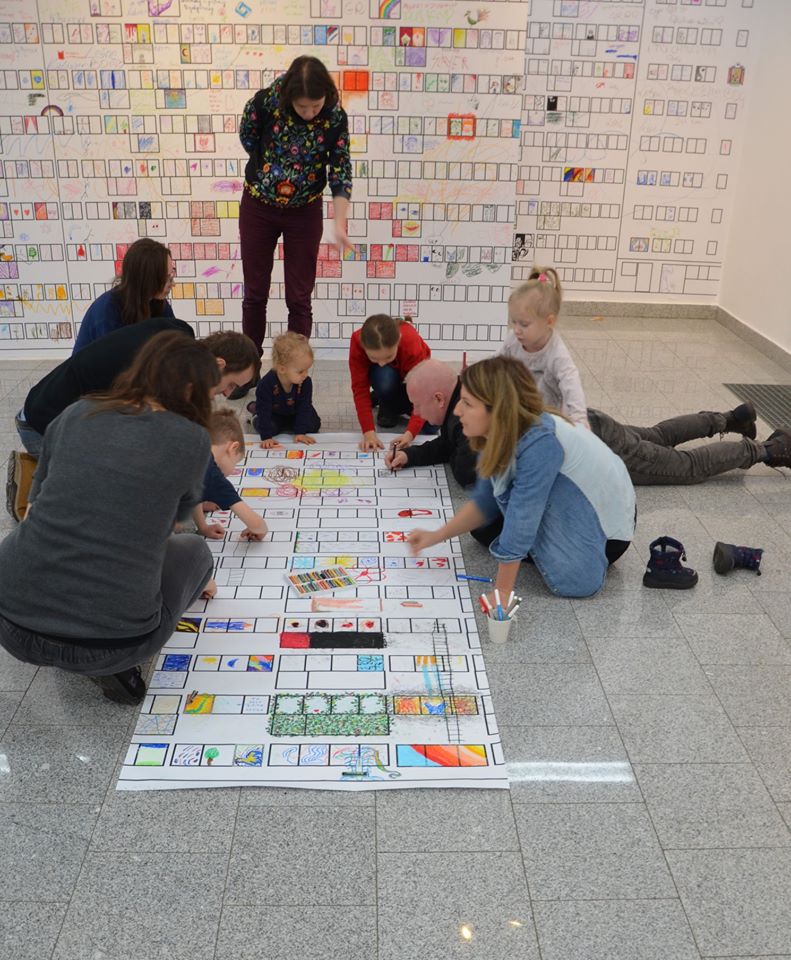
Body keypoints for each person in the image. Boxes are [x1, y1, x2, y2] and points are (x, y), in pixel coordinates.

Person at [0, 333, 219, 705]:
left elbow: (34, 508)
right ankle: (114, 667)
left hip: (10, 623)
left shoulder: (76, 412)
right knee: (195, 551)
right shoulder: (191, 438)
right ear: (190, 390)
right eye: (209, 395)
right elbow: (170, 526)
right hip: (113, 645)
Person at [501, 266, 791, 483]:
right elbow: (493, 373)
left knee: (687, 466)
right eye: (515, 323)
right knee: (658, 435)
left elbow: (571, 388)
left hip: (596, 439)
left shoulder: (556, 355)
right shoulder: (516, 344)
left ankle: (770, 448)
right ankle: (732, 418)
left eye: (523, 324)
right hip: (595, 423)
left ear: (548, 322)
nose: (516, 330)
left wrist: (580, 434)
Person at [407, 356, 636, 600]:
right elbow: (484, 500)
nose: (457, 410)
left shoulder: (539, 442)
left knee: (568, 576)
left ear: (496, 409)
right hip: (575, 503)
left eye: (467, 403)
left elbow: (523, 515)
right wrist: (436, 536)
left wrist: (503, 591)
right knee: (484, 528)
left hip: (607, 533)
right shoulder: (499, 430)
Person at [239, 55, 353, 353]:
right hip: (258, 207)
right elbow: (248, 139)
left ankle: (294, 369)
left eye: (316, 106)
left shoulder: (334, 117)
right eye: (303, 107)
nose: (310, 113)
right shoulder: (264, 103)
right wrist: (271, 170)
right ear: (290, 97)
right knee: (255, 292)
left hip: (305, 212)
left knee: (299, 298)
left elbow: (340, 170)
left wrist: (340, 222)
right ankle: (248, 365)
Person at [15, 321, 260, 456]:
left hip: (50, 411)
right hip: (42, 428)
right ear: (218, 365)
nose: (228, 394)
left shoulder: (180, 334)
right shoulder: (171, 376)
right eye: (231, 384)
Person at [384, 358, 477, 488]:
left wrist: (450, 450)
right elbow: (447, 443)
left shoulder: (466, 419)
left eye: (417, 405)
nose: (415, 413)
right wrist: (409, 455)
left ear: (439, 399)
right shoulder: (455, 398)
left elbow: (465, 475)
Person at [72, 238, 176, 353]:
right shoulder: (108, 311)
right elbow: (116, 360)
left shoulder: (157, 302)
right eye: (167, 278)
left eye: (172, 274)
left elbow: (175, 342)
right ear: (148, 279)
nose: (173, 284)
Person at [349, 313, 430, 451]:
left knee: (431, 427)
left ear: (398, 340)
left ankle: (387, 401)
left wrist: (410, 434)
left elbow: (423, 392)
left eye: (388, 356)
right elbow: (360, 388)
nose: (381, 363)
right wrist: (368, 432)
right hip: (387, 378)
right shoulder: (358, 340)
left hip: (412, 379)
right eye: (374, 358)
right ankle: (385, 397)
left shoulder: (410, 342)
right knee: (384, 376)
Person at [193, 409, 270, 541]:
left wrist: (202, 527)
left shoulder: (193, 444)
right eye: (235, 462)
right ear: (233, 448)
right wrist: (260, 529)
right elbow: (258, 526)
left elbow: (193, 493)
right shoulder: (213, 475)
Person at [249, 331, 321, 447]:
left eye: (307, 370)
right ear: (282, 369)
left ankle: (292, 425)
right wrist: (266, 437)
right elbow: (265, 410)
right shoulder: (266, 384)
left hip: (294, 411)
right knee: (269, 427)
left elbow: (305, 406)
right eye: (301, 371)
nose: (306, 375)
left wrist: (300, 432)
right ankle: (254, 410)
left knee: (314, 424)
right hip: (275, 412)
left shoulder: (305, 382)